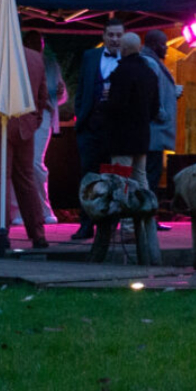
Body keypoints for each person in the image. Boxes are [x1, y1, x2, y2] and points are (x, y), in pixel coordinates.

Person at [0, 36, 51, 249]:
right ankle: (38, 233)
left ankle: (2, 231)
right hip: (25, 125)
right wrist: (34, 121)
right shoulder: (35, 58)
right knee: (26, 179)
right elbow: (42, 96)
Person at [70, 15, 126, 241]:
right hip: (90, 129)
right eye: (110, 35)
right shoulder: (90, 56)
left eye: (118, 35)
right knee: (88, 178)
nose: (114, 39)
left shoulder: (130, 59)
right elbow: (82, 88)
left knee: (114, 178)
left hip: (116, 131)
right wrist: (80, 119)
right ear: (103, 37)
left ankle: (110, 225)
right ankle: (86, 224)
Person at [100, 32, 160, 188]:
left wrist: (103, 105)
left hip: (122, 136)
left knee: (120, 178)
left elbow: (117, 105)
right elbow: (155, 108)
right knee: (140, 176)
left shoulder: (121, 72)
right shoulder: (150, 73)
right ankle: (145, 209)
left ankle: (122, 211)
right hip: (142, 135)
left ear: (123, 49)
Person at [26, 31, 66, 226]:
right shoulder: (19, 62)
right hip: (23, 115)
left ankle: (43, 207)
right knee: (22, 163)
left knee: (35, 162)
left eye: (39, 42)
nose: (37, 46)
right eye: (33, 42)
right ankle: (23, 210)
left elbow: (62, 94)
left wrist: (57, 94)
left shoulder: (50, 64)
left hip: (43, 117)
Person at [142, 30, 183, 202]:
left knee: (152, 172)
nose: (165, 47)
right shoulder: (150, 63)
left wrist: (171, 92)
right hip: (154, 130)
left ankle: (149, 213)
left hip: (155, 130)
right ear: (153, 44)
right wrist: (161, 113)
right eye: (162, 43)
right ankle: (148, 213)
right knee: (152, 172)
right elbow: (150, 92)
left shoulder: (152, 62)